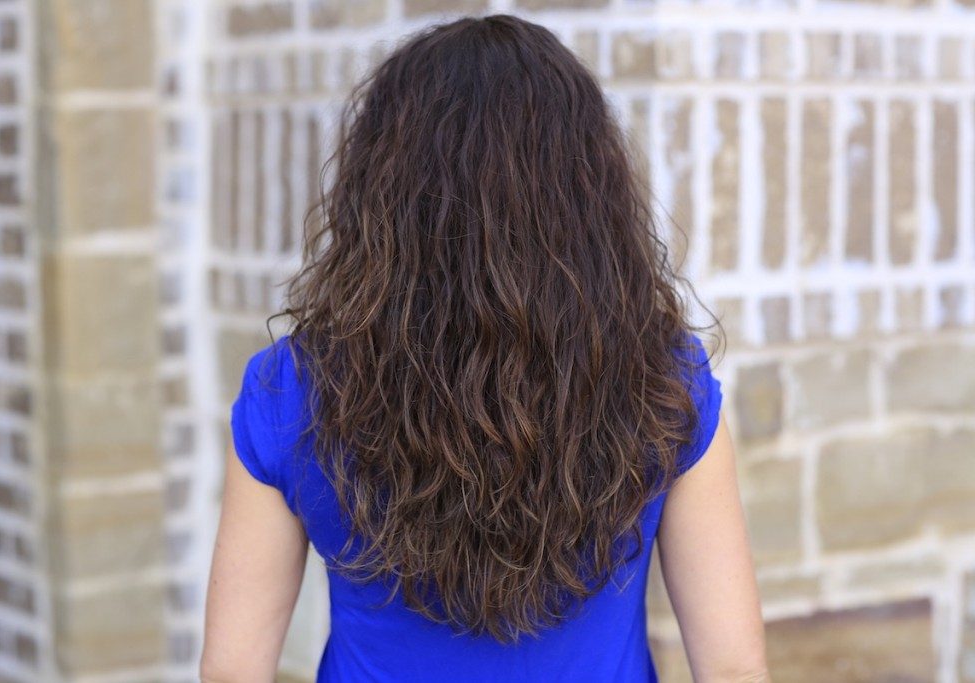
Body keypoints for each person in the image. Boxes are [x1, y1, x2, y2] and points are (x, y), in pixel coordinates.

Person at [200, 13, 769, 683]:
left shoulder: (290, 389)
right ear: (587, 193)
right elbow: (731, 666)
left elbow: (232, 670)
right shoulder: (663, 380)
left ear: (382, 194)